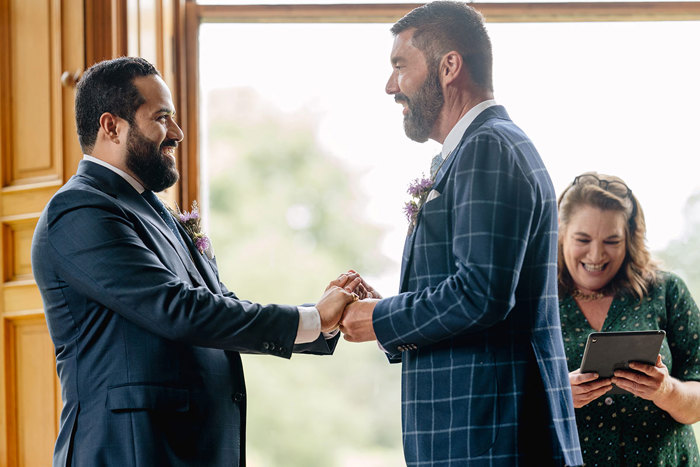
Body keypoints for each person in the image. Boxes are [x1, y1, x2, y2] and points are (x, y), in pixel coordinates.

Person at [31, 56, 360, 466]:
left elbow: (219, 300)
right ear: (111, 126)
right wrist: (311, 319)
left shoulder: (157, 211)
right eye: (162, 118)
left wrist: (323, 317)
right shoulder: (80, 210)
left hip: (187, 449)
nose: (177, 133)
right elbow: (178, 310)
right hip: (131, 451)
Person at [339, 2, 582, 465]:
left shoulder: (487, 148)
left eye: (399, 67)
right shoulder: (479, 148)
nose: (390, 86)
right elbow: (475, 290)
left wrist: (380, 318)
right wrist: (386, 307)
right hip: (477, 438)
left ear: (449, 66)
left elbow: (481, 294)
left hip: (492, 444)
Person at [558, 171, 700, 465]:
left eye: (612, 241)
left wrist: (666, 391)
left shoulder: (666, 291)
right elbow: (503, 400)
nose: (596, 254)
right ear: (560, 234)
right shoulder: (534, 302)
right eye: (582, 239)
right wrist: (555, 395)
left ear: (629, 239)